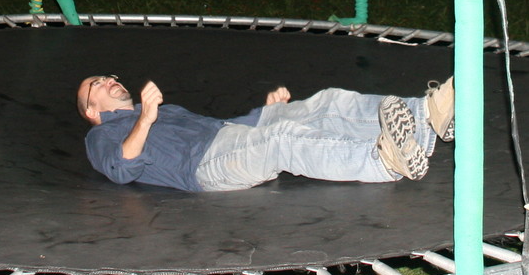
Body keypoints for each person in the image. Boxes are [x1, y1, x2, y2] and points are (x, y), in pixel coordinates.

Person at [76, 74, 454, 192]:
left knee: (323, 103)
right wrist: (145, 120)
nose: (109, 80)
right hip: (204, 166)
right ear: (92, 111)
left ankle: (426, 114)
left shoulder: (163, 110)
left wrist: (266, 112)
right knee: (281, 140)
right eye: (97, 83)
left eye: (109, 76)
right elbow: (123, 168)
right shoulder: (100, 137)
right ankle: (384, 160)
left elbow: (222, 128)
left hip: (228, 138)